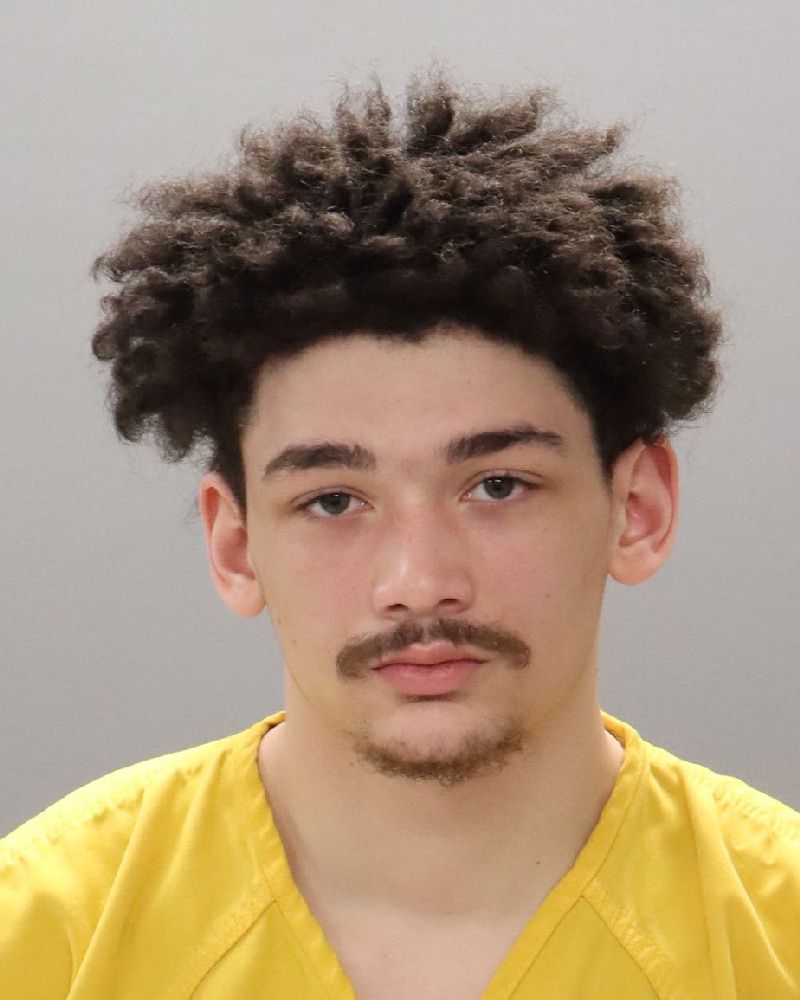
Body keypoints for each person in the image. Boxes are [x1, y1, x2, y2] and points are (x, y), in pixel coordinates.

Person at [2, 71, 798, 1000]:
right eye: (334, 501)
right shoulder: (44, 933)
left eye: (497, 486)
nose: (419, 582)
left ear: (640, 509)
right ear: (234, 545)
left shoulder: (778, 928)